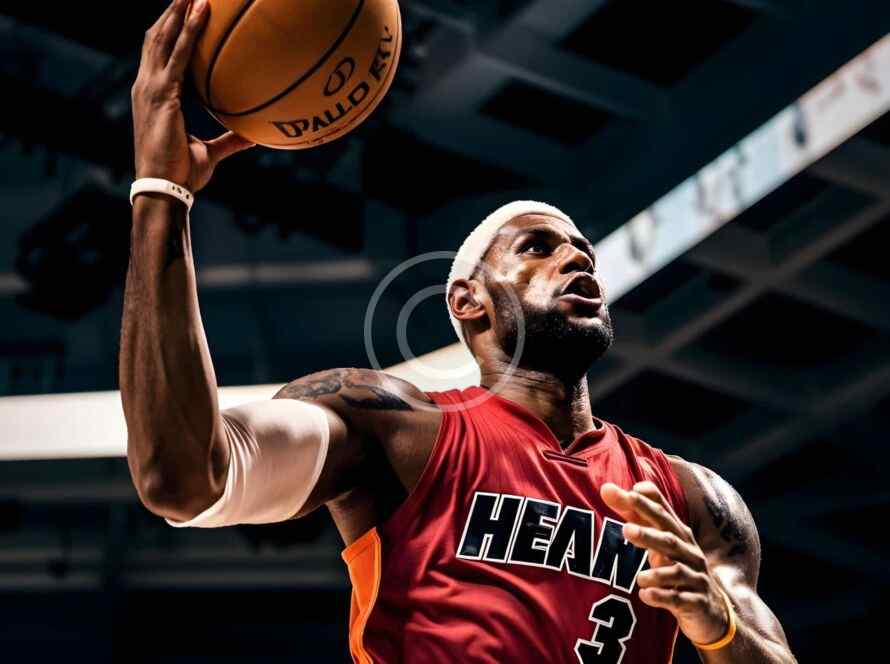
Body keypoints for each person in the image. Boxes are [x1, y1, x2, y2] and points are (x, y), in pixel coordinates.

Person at [121, 2, 796, 662]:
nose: (575, 260)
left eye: (584, 254)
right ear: (468, 301)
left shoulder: (692, 498)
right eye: (538, 247)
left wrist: (717, 624)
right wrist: (162, 192)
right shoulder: (393, 429)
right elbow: (183, 480)